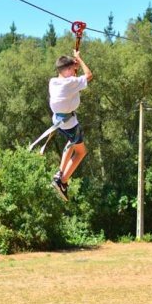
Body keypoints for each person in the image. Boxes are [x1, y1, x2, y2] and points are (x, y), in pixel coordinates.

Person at [49, 50, 92, 201]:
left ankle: (59, 173)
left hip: (58, 121)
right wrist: (79, 59)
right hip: (70, 124)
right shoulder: (70, 83)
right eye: (72, 69)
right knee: (81, 152)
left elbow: (71, 82)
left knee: (70, 142)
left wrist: (73, 70)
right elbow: (89, 75)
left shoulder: (53, 82)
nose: (75, 71)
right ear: (67, 70)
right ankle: (63, 181)